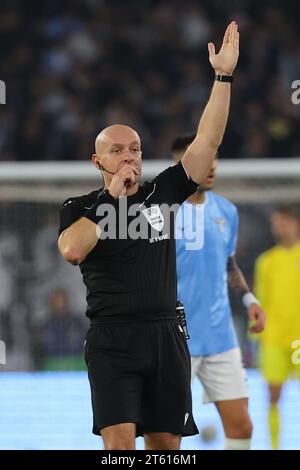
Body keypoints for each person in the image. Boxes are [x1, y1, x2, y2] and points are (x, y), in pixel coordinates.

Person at [58, 21, 240, 450]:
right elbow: (71, 249)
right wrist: (115, 202)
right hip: (111, 339)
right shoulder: (80, 207)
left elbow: (207, 140)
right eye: (117, 151)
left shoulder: (165, 191)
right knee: (119, 448)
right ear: (97, 160)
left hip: (165, 335)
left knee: (166, 450)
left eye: (135, 149)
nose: (129, 158)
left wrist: (223, 77)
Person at [173, 134, 266, 450]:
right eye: (203, 158)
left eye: (214, 158)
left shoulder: (227, 211)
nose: (211, 166)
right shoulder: (158, 215)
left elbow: (230, 264)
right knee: (166, 433)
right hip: (173, 340)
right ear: (181, 165)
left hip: (219, 337)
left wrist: (249, 298)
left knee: (242, 426)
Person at [254, 205, 300, 449]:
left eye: (283, 222)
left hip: (298, 340)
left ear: (295, 224)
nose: (279, 227)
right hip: (273, 340)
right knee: (273, 396)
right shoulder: (266, 261)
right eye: (276, 223)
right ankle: (274, 445)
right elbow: (261, 301)